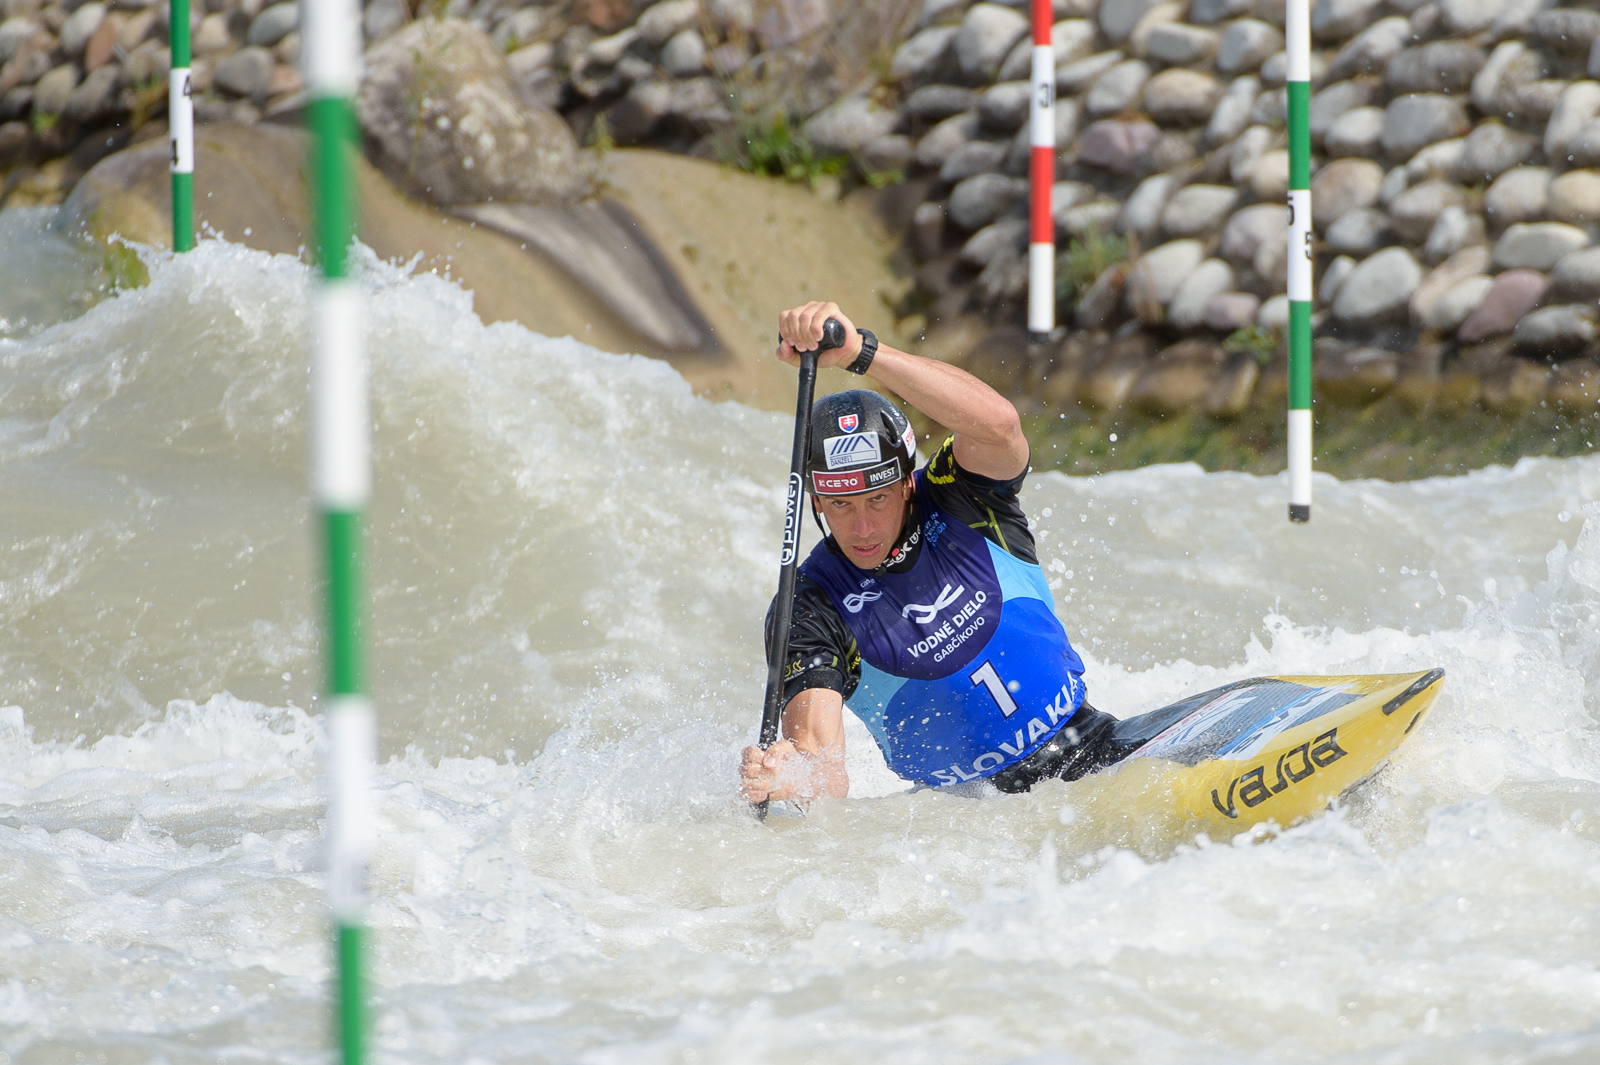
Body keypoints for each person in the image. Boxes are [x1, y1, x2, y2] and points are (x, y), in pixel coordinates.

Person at [739, 301, 1131, 806]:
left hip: (1092, 748)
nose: (861, 527)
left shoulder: (958, 495)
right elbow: (824, 768)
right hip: (970, 826)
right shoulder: (809, 606)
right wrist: (791, 775)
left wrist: (862, 352)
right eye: (839, 504)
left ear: (906, 483)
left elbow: (1001, 426)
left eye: (877, 499)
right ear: (815, 501)